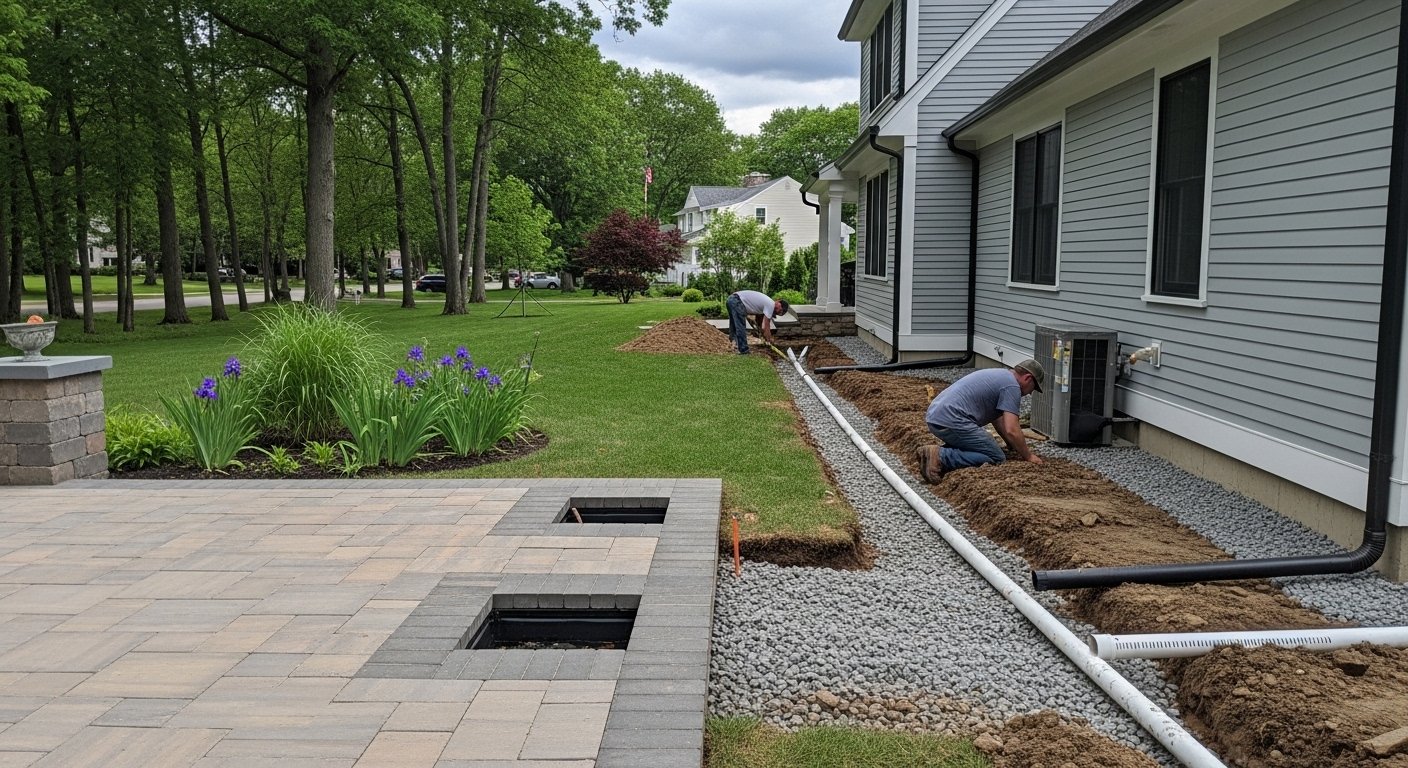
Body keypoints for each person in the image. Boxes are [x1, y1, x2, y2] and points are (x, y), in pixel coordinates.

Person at [917, 359, 1046, 481]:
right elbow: (1012, 428)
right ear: (1028, 378)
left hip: (937, 416)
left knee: (985, 449)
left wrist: (1012, 444)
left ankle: (932, 456)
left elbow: (998, 420)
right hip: (952, 420)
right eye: (1033, 388)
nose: (1029, 393)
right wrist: (1028, 456)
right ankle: (941, 456)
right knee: (996, 456)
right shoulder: (1012, 387)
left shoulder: (1001, 376)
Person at [725, 289, 789, 355]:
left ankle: (732, 344)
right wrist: (769, 340)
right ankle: (744, 350)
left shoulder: (765, 305)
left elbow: (759, 322)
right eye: (780, 310)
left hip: (731, 300)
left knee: (734, 325)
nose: (778, 312)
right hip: (737, 301)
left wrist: (763, 336)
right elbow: (766, 326)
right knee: (740, 326)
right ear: (778, 302)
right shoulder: (771, 305)